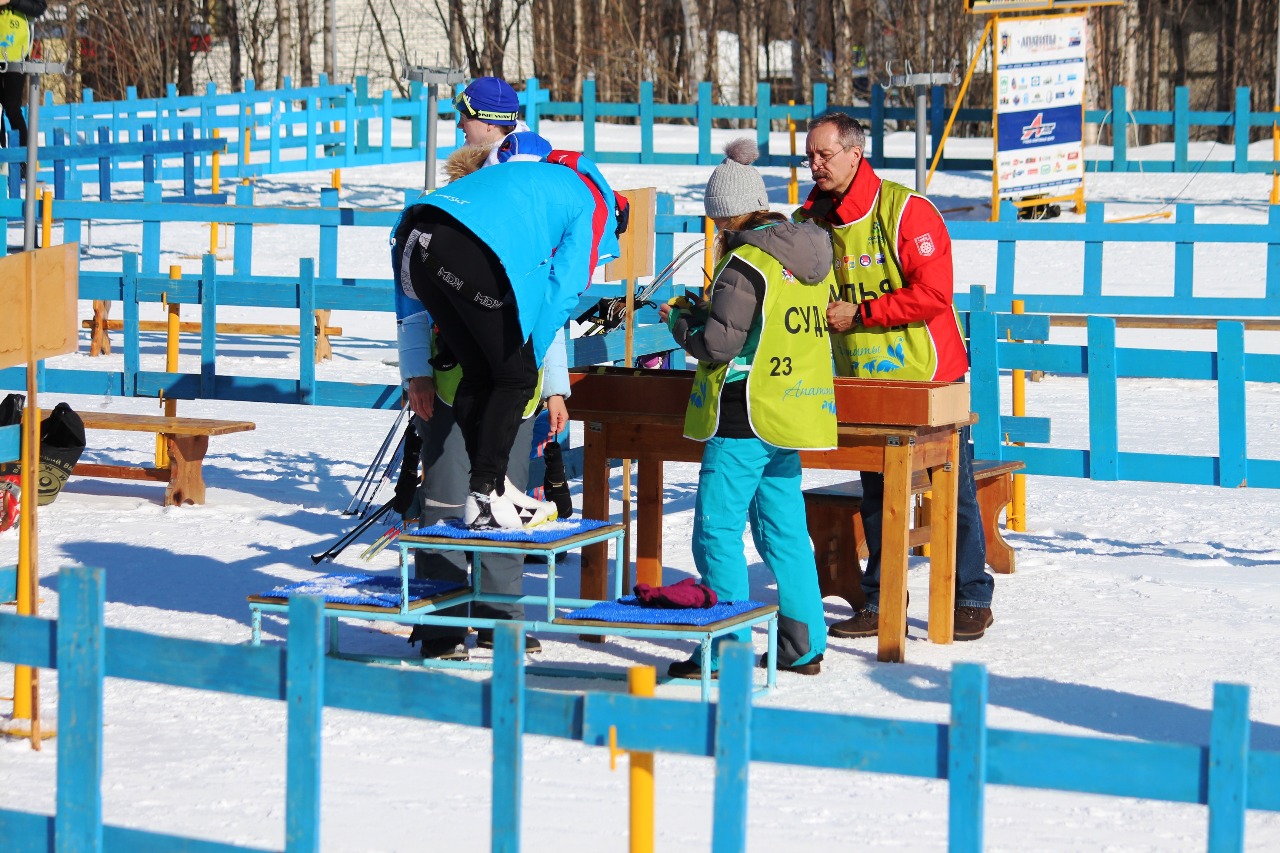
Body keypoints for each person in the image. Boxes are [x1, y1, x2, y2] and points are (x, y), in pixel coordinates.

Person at [794, 111, 995, 641]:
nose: (813, 165)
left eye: (823, 155)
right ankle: (882, 598)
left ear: (855, 155)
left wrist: (859, 314)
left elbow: (933, 294)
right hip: (861, 377)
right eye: (808, 156)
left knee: (954, 489)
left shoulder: (908, 211)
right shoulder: (810, 220)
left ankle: (972, 593)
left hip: (930, 374)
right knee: (877, 491)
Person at [659, 138, 836, 679]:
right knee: (782, 529)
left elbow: (718, 347)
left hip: (742, 411)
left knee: (716, 529)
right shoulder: (808, 250)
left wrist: (680, 321)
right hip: (790, 409)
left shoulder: (743, 260)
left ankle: (725, 644)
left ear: (725, 213)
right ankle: (802, 642)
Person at [392, 133, 563, 661]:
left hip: (517, 397)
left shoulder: (544, 229)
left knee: (504, 504)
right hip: (448, 390)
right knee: (445, 502)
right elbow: (412, 306)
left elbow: (554, 315)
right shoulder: (446, 224)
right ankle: (441, 621)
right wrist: (416, 372)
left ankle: (499, 618)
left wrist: (556, 386)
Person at [392, 139, 621, 530]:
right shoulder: (593, 206)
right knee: (516, 374)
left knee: (481, 372)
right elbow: (564, 287)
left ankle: (493, 488)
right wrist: (531, 349)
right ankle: (485, 495)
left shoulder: (545, 183)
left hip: (416, 241)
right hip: (460, 245)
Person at [0, 0, 46, 154]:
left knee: (12, 107)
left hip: (16, 56)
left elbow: (39, 8)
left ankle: (22, 161)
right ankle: (2, 161)